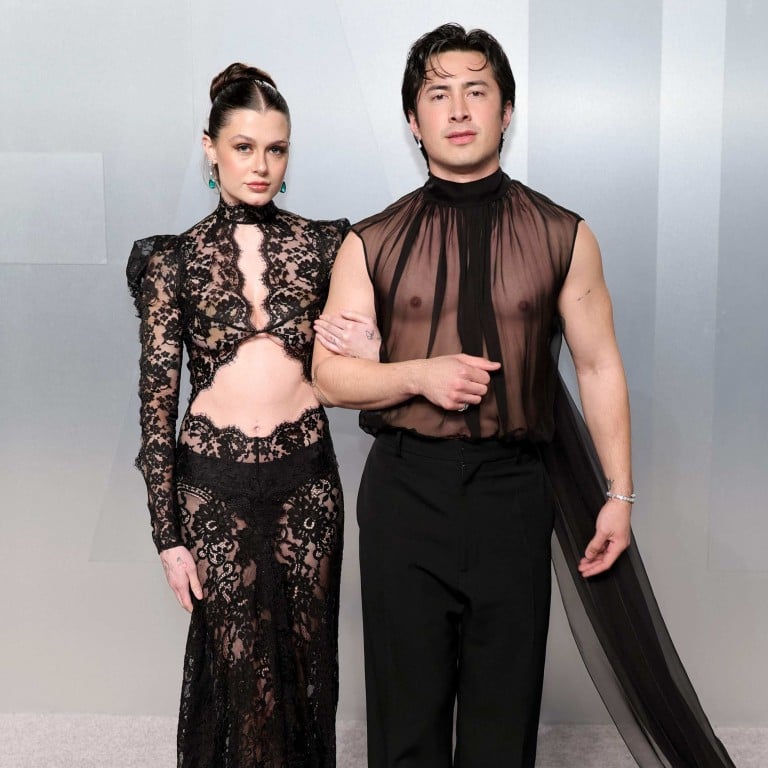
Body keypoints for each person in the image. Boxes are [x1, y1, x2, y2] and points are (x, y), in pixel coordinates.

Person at [313, 24, 736, 768]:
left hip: (514, 491)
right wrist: (417, 374)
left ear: (507, 110)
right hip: (405, 491)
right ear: (413, 120)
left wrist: (620, 495)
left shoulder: (563, 234)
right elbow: (328, 378)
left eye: (477, 91)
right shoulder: (369, 243)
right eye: (438, 94)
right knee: (403, 720)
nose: (458, 109)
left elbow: (598, 366)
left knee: (502, 723)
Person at [127, 63, 377, 768]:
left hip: (308, 483)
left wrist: (370, 346)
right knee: (244, 684)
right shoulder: (173, 261)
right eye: (244, 147)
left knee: (308, 673)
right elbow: (156, 404)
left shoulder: (328, 245)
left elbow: (358, 367)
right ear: (210, 148)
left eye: (276, 148)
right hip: (213, 487)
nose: (261, 165)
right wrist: (167, 536)